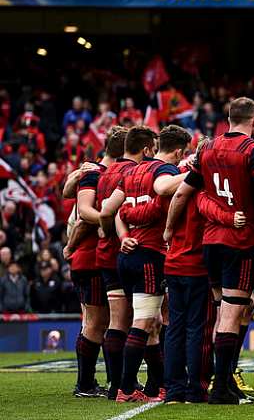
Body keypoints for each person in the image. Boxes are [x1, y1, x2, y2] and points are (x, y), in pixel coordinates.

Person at [165, 97, 254, 405]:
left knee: (225, 312)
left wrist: (168, 230)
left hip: (210, 243)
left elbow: (181, 193)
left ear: (229, 119)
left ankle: (223, 381)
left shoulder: (207, 149)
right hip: (239, 242)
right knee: (232, 314)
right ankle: (221, 388)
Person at [100, 125, 192, 403]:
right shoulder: (163, 171)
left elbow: (110, 209)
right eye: (182, 154)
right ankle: (126, 389)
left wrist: (124, 235)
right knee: (144, 321)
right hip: (149, 255)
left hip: (127, 256)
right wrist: (197, 170)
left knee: (153, 323)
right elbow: (162, 189)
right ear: (177, 151)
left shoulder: (130, 171)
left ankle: (155, 385)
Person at [69, 127, 127, 398]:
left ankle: (109, 381)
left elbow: (68, 192)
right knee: (95, 321)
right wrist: (109, 217)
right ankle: (85, 384)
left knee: (104, 320)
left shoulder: (96, 172)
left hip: (100, 257)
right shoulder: (94, 174)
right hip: (89, 258)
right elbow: (84, 213)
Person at [92, 127, 139, 400]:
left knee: (117, 320)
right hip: (126, 250)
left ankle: (114, 384)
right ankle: (128, 384)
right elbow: (111, 210)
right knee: (143, 319)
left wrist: (104, 229)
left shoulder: (104, 172)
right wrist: (116, 232)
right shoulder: (131, 172)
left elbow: (104, 212)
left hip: (106, 253)